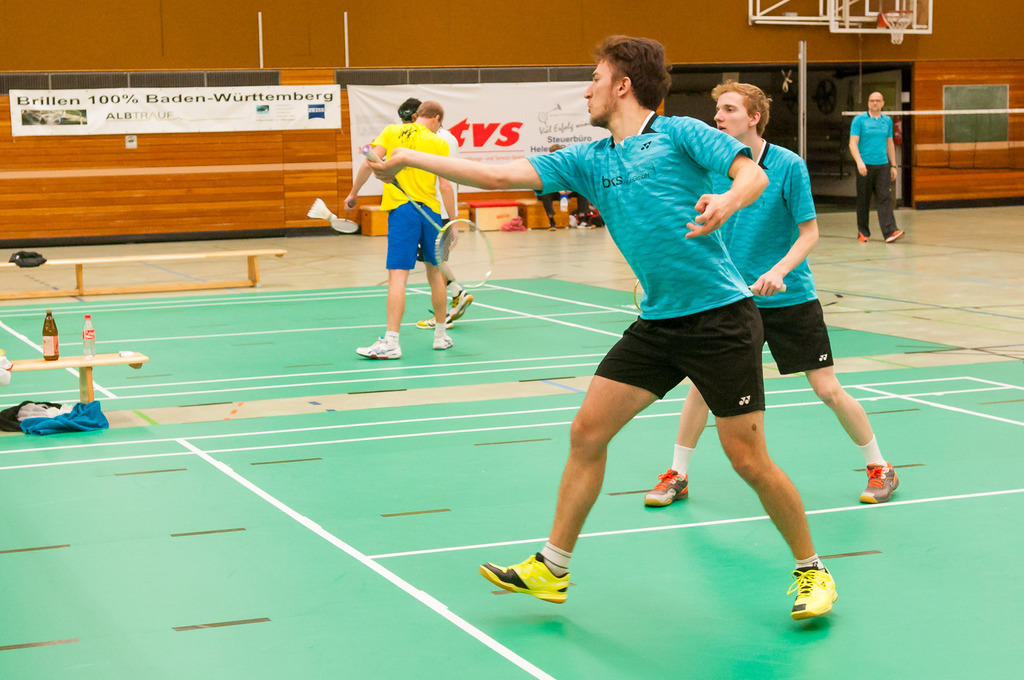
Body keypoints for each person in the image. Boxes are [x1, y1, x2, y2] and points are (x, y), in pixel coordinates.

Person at [368, 36, 838, 620]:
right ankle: (552, 566)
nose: (586, 90)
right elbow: (496, 176)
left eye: (594, 78)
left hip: (720, 319)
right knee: (587, 432)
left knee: (748, 461)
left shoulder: (680, 133)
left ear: (623, 85)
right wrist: (409, 159)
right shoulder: (589, 160)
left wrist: (726, 202)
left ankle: (812, 569)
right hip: (658, 322)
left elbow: (752, 176)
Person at [645, 82, 899, 514]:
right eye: (717, 109)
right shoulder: (711, 167)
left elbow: (809, 233)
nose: (718, 117)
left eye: (729, 109)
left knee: (827, 388)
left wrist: (778, 271)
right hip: (730, 302)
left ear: (754, 117)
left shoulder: (787, 165)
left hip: (789, 298)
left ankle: (880, 467)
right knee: (702, 388)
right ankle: (677, 474)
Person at [345, 101, 456, 359]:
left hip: (402, 210)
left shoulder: (392, 131)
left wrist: (354, 193)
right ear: (436, 118)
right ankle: (441, 336)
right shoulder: (439, 142)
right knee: (436, 274)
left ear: (417, 115)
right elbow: (445, 185)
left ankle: (392, 342)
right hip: (430, 212)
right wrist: (452, 222)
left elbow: (368, 162)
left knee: (397, 277)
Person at [415, 120, 474, 329]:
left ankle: (444, 316)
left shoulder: (430, 140)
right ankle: (457, 292)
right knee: (436, 260)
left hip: (433, 209)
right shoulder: (450, 138)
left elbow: (444, 182)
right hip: (445, 208)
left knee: (433, 264)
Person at [849, 91, 904, 243]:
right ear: (868, 103)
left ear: (882, 103)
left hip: (883, 166)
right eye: (872, 100)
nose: (874, 103)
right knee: (863, 199)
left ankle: (890, 232)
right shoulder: (859, 120)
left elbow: (890, 143)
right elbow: (852, 143)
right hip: (864, 165)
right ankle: (863, 232)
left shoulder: (887, 121)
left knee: (885, 198)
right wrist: (859, 162)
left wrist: (893, 165)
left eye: (877, 100)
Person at [539, 144, 593, 229]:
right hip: (555, 191)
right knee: (545, 194)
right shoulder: (548, 165)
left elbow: (575, 179)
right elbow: (547, 180)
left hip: (568, 191)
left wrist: (571, 189)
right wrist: (558, 189)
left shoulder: (569, 164)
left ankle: (582, 219)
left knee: (582, 191)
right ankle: (552, 221)